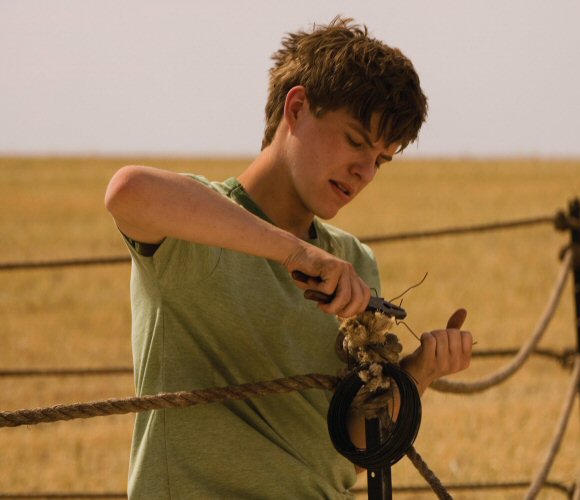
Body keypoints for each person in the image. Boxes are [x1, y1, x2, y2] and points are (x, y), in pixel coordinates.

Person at [105, 17, 473, 498]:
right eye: (357, 141)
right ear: (297, 108)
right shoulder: (196, 230)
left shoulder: (354, 261)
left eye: (381, 159)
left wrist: (417, 373)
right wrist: (293, 251)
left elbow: (348, 450)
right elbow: (128, 192)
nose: (364, 172)